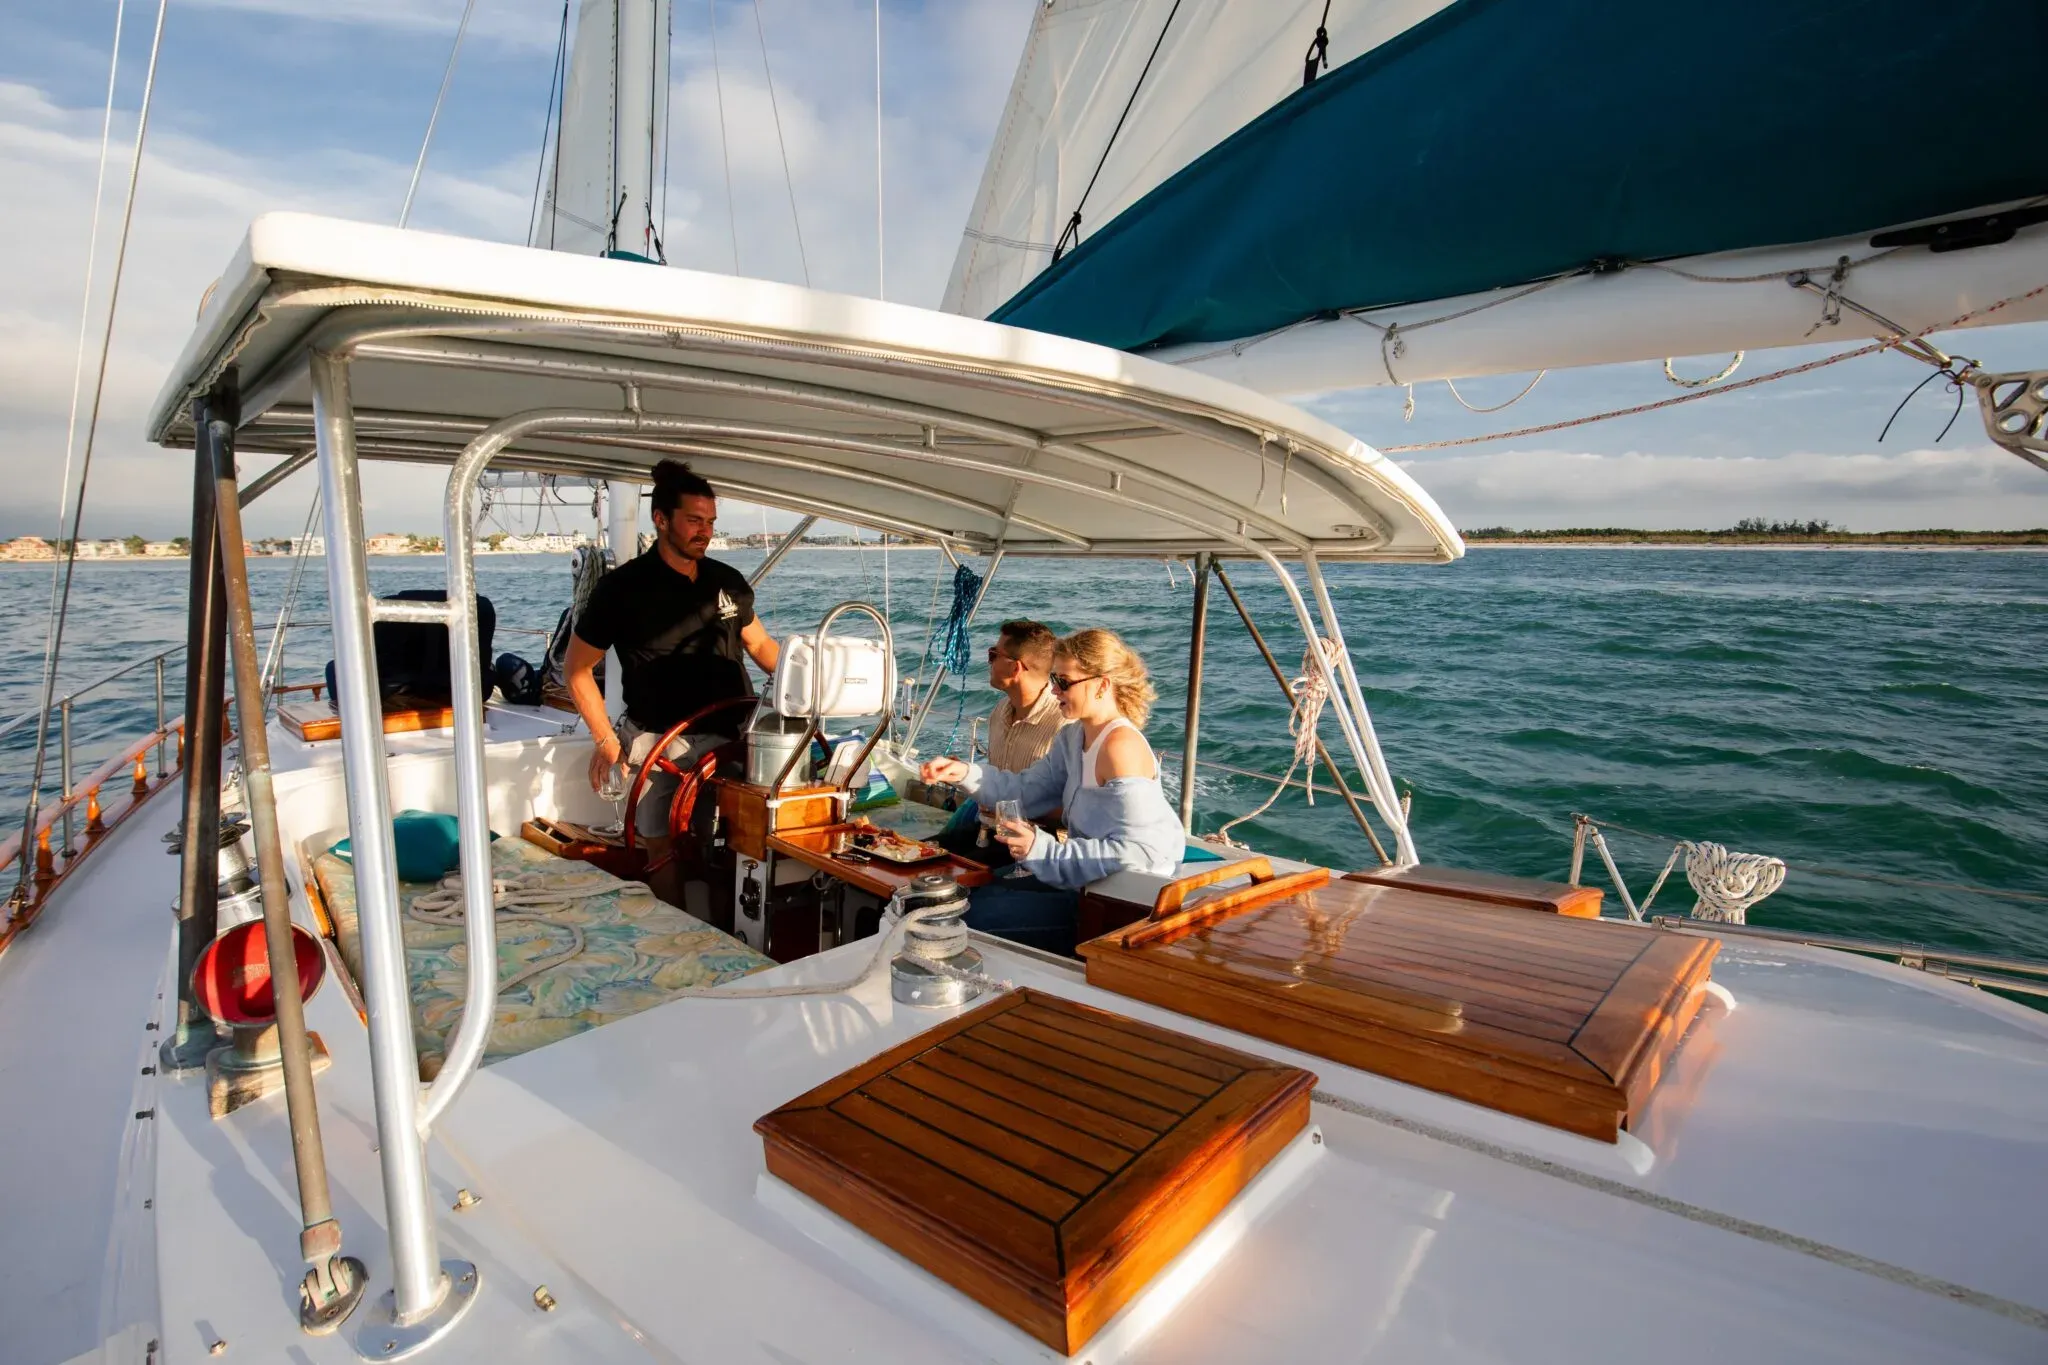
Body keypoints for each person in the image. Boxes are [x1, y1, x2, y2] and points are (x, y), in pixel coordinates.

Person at [919, 628, 1184, 955]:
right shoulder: (1074, 737)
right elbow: (1025, 792)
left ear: (1102, 685)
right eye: (1054, 679)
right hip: (1083, 882)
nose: (1054, 689)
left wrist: (1040, 849)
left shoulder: (1120, 747)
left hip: (1117, 906)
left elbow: (1139, 854)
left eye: (1064, 682)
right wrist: (964, 774)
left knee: (962, 916)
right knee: (961, 893)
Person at [565, 460, 779, 864]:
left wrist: (812, 683)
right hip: (659, 741)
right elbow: (576, 671)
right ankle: (673, 917)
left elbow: (762, 645)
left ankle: (722, 923)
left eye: (711, 521)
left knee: (737, 844)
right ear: (661, 519)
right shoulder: (621, 589)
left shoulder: (728, 580)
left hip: (730, 740)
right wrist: (606, 741)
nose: (706, 532)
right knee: (661, 847)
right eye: (695, 520)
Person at [933, 619, 1068, 861]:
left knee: (935, 876)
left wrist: (1008, 809)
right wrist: (961, 773)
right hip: (987, 832)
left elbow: (1070, 812)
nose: (989, 662)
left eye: (993, 654)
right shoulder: (1001, 711)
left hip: (1032, 844)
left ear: (1015, 668)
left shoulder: (1063, 726)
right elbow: (996, 776)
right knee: (910, 853)